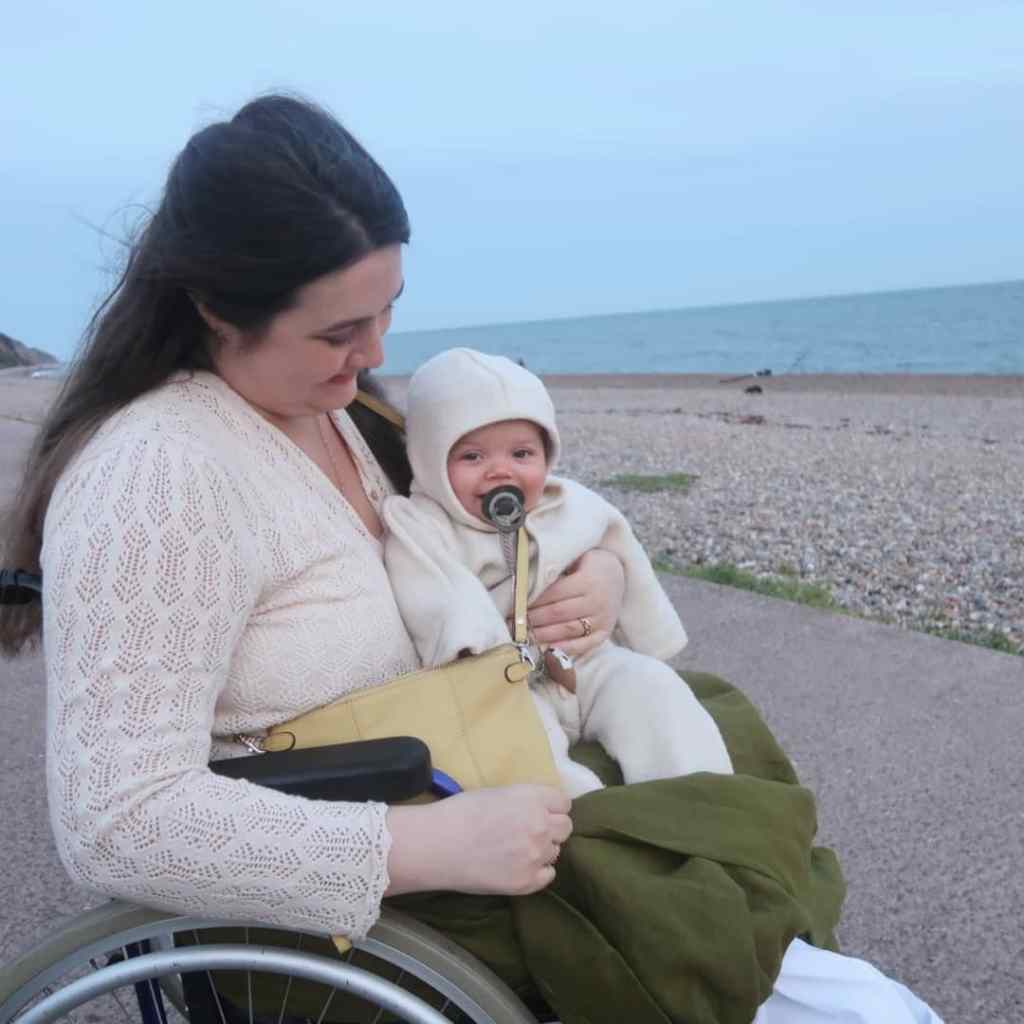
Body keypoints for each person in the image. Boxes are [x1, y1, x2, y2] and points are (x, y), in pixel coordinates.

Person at [0, 95, 942, 1023]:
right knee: (741, 921)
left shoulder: (333, 412)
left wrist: (600, 574)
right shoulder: (159, 478)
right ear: (213, 306)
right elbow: (117, 821)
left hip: (464, 769)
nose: (375, 352)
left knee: (711, 738)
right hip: (350, 910)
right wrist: (419, 848)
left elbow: (474, 531)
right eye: (338, 332)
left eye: (385, 311)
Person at [382, 347, 734, 797]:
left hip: (583, 661)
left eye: (522, 453)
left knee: (654, 688)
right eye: (472, 457)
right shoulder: (422, 525)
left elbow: (619, 544)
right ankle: (584, 812)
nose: (500, 470)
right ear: (429, 460)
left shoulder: (569, 503)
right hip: (502, 687)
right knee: (518, 746)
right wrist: (480, 652)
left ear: (547, 456)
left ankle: (702, 795)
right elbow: (436, 594)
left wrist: (651, 637)